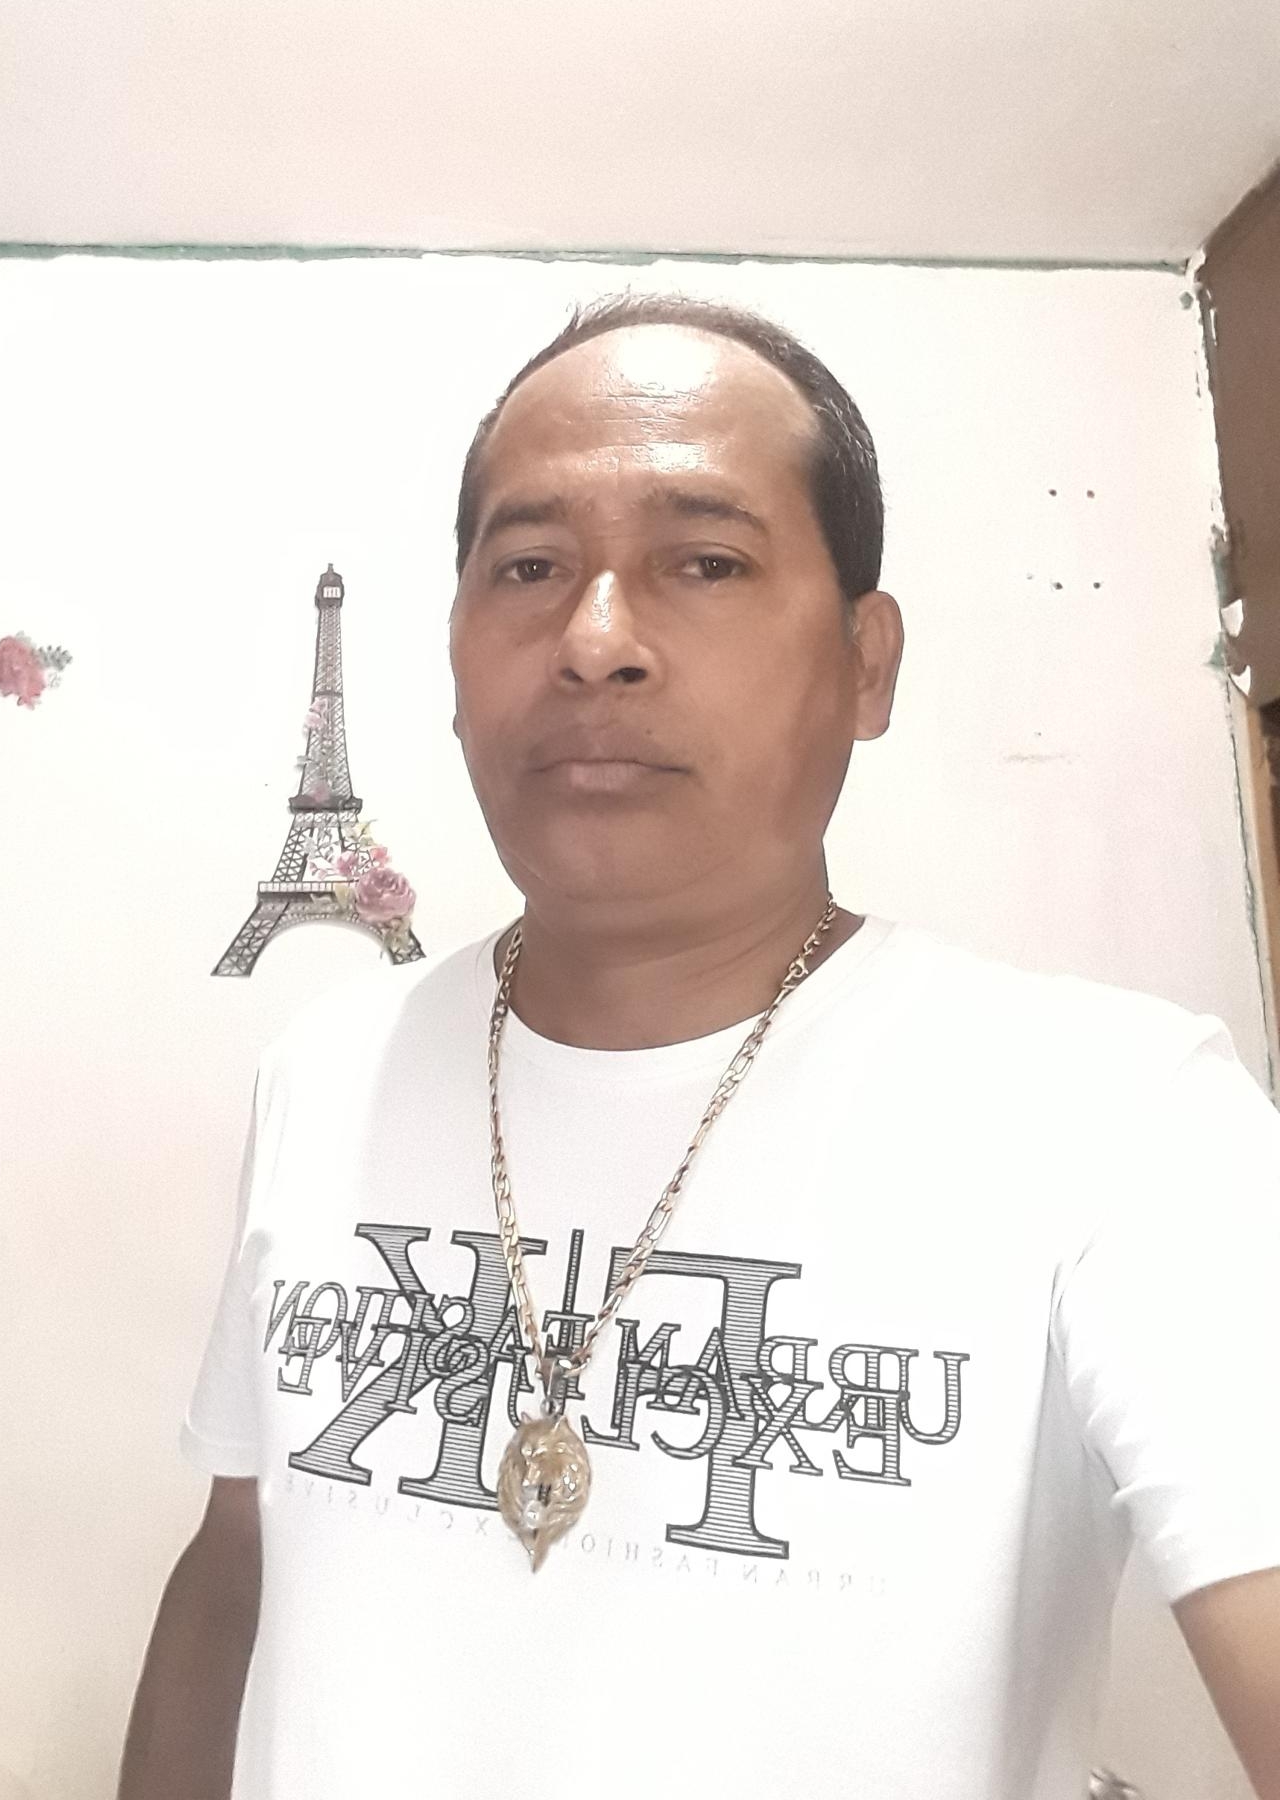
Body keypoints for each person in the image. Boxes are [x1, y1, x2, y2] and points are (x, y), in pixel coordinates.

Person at [118, 295, 1280, 1800]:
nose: (595, 642)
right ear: (454, 653)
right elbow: (239, 1561)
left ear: (868, 663)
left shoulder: (1123, 1121)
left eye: (706, 562)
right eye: (529, 568)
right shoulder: (320, 1073)